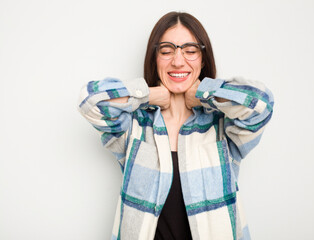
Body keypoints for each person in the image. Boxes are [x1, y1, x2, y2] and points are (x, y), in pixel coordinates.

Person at [78, 11, 274, 240]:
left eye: (190, 51)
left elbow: (262, 104)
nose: (178, 61)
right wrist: (148, 96)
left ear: (203, 59)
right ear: (155, 59)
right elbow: (90, 100)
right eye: (166, 51)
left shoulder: (222, 126)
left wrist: (203, 94)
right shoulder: (134, 126)